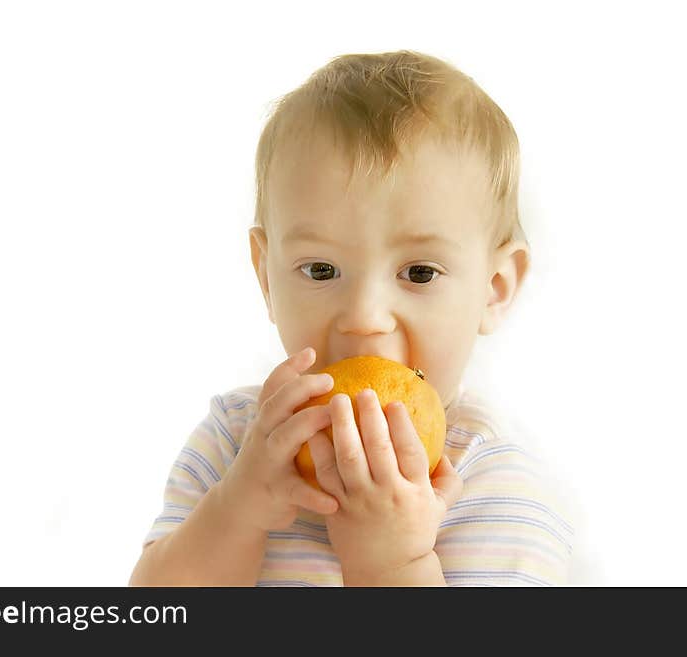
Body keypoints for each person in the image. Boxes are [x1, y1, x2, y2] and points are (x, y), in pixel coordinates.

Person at [129, 49, 574, 586]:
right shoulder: (235, 442)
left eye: (420, 273)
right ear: (267, 277)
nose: (364, 318)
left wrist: (393, 563)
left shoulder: (494, 484)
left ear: (494, 289)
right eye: (320, 269)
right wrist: (238, 509)